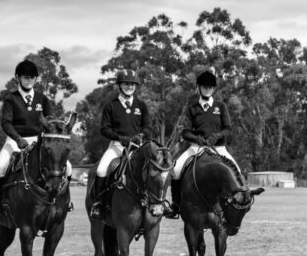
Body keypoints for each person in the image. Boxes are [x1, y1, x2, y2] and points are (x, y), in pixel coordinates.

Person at [166, 69, 237, 218]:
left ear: (214, 88)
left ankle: (240, 203)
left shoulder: (221, 106)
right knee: (176, 169)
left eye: (210, 87)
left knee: (236, 171)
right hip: (196, 148)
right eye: (205, 86)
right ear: (199, 87)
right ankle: (176, 205)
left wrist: (217, 136)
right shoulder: (192, 108)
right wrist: (196, 138)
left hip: (218, 147)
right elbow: (185, 131)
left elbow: (228, 129)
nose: (207, 89)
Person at [0, 59, 56, 215]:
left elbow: (50, 119)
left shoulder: (42, 98)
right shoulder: (11, 99)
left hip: (38, 141)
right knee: (0, 167)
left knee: (66, 167)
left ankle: (62, 201)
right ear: (17, 78)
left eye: (32, 77)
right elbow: (6, 123)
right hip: (15, 141)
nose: (30, 80)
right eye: (26, 77)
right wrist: (18, 139)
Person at [89, 70, 152, 220]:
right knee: (101, 170)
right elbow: (104, 128)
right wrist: (119, 138)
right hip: (117, 146)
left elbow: (148, 126)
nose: (130, 86)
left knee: (153, 170)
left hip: (138, 147)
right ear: (120, 85)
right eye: (126, 83)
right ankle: (98, 204)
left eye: (132, 84)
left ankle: (155, 202)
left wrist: (141, 135)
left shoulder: (141, 105)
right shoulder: (111, 105)